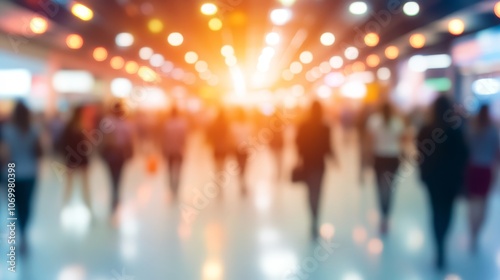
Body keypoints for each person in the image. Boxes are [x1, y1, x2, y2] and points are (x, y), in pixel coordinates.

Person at [417, 95, 468, 270]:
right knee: (447, 212)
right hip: (451, 181)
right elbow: (463, 157)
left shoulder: (425, 130)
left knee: (435, 211)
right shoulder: (456, 130)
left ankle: (439, 246)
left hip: (433, 179)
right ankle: (442, 242)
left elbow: (420, 156)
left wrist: (423, 175)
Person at [0, 101, 42, 255]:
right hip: (29, 172)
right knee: (27, 204)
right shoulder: (34, 130)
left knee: (14, 205)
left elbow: (4, 154)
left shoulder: (7, 130)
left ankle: (18, 229)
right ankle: (24, 231)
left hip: (11, 171)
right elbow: (40, 152)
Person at [296, 101, 336, 239]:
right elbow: (328, 146)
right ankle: (315, 218)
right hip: (319, 164)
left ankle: (312, 218)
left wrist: (299, 159)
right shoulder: (325, 127)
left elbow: (298, 144)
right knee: (317, 191)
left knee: (309, 192)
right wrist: (335, 159)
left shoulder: (303, 126)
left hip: (307, 164)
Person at [366, 102, 406, 235]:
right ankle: (386, 214)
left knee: (380, 188)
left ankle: (383, 213)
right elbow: (402, 141)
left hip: (379, 158)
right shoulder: (397, 122)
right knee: (389, 187)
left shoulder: (374, 121)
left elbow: (370, 142)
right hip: (393, 158)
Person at [464, 104, 499, 252]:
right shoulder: (493, 131)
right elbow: (497, 155)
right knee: (483, 203)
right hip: (485, 170)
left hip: (472, 169)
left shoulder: (472, 130)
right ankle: (476, 233)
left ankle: (472, 231)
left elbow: (465, 151)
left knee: (473, 202)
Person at [100, 102, 133, 219]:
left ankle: (114, 198)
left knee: (112, 178)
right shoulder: (125, 123)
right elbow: (129, 140)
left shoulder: (107, 122)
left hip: (111, 154)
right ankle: (116, 197)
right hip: (120, 154)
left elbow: (103, 139)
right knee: (118, 177)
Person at [60, 106, 93, 213]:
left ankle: (65, 204)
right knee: (84, 184)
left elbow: (64, 144)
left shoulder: (69, 127)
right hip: (80, 159)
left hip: (72, 159)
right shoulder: (82, 127)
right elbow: (87, 145)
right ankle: (87, 204)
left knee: (70, 184)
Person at [162, 107, 189, 199]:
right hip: (179, 151)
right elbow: (184, 139)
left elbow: (163, 139)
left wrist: (163, 149)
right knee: (178, 171)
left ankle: (171, 188)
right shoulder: (182, 124)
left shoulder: (167, 124)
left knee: (169, 171)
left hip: (169, 151)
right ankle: (176, 188)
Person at [230, 108, 253, 196]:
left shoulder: (234, 126)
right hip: (245, 149)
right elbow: (251, 138)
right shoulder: (248, 126)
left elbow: (232, 138)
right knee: (244, 166)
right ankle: (243, 182)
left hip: (237, 149)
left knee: (239, 166)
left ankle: (241, 182)